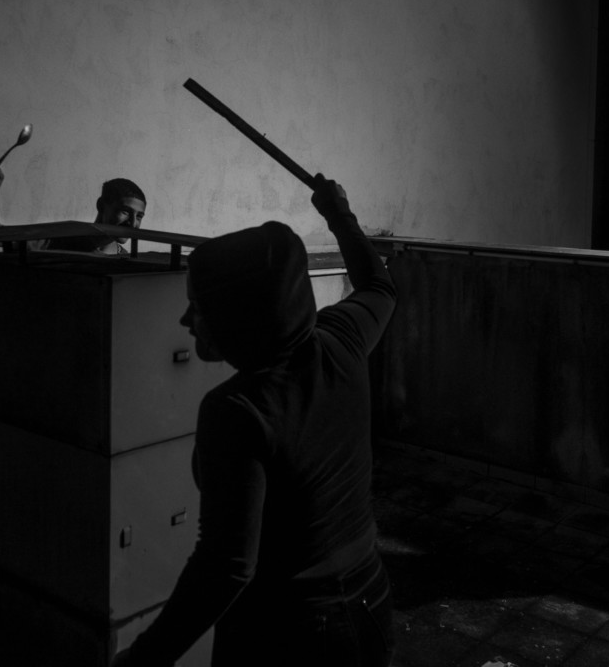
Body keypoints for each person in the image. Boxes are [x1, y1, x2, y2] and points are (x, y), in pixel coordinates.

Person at [113, 173, 397, 667]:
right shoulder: (342, 340)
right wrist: (338, 213)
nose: (185, 320)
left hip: (286, 632)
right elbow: (379, 286)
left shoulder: (237, 410)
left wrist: (142, 659)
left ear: (240, 314)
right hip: (370, 602)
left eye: (199, 307)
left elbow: (226, 567)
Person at [0, 159, 146, 255]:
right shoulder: (61, 239)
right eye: (125, 212)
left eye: (139, 216)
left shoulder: (126, 259)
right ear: (101, 205)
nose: (132, 223)